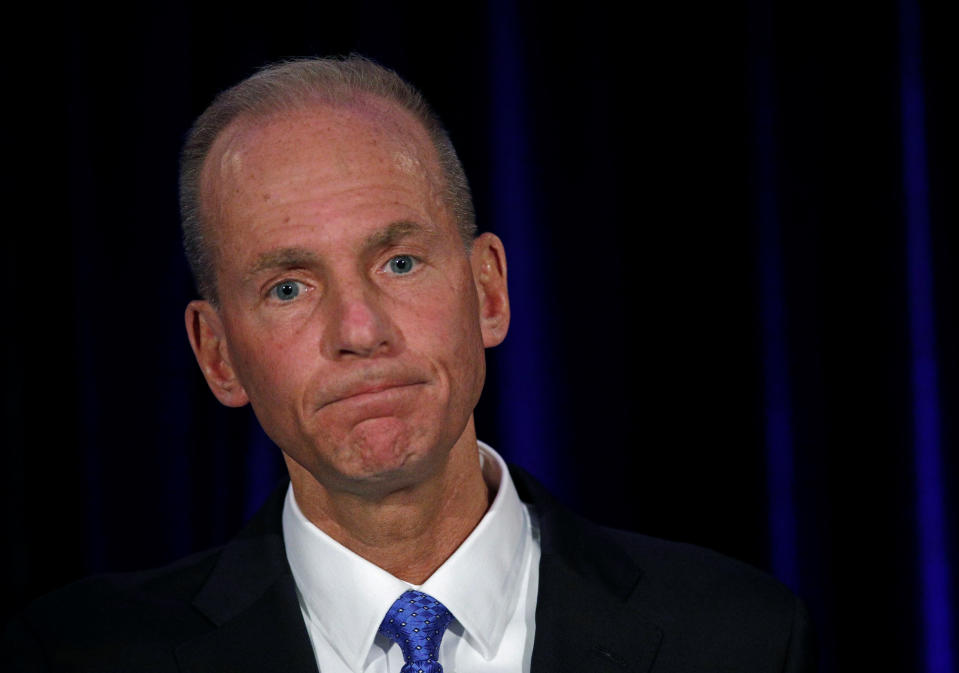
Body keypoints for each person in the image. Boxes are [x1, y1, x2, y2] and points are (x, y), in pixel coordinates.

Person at [3, 56, 814, 672]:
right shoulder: (78, 654)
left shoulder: (737, 636)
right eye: (289, 286)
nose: (358, 330)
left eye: (398, 262)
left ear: (488, 291)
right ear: (218, 355)